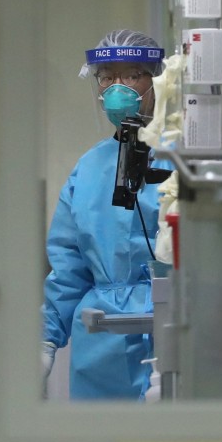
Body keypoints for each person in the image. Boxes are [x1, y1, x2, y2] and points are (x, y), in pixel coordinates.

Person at [41, 29, 171, 400]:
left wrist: (183, 353)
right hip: (100, 343)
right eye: (108, 77)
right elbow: (68, 266)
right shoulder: (90, 167)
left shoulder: (180, 159)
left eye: (132, 75)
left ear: (156, 79)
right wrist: (45, 339)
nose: (118, 87)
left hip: (166, 333)